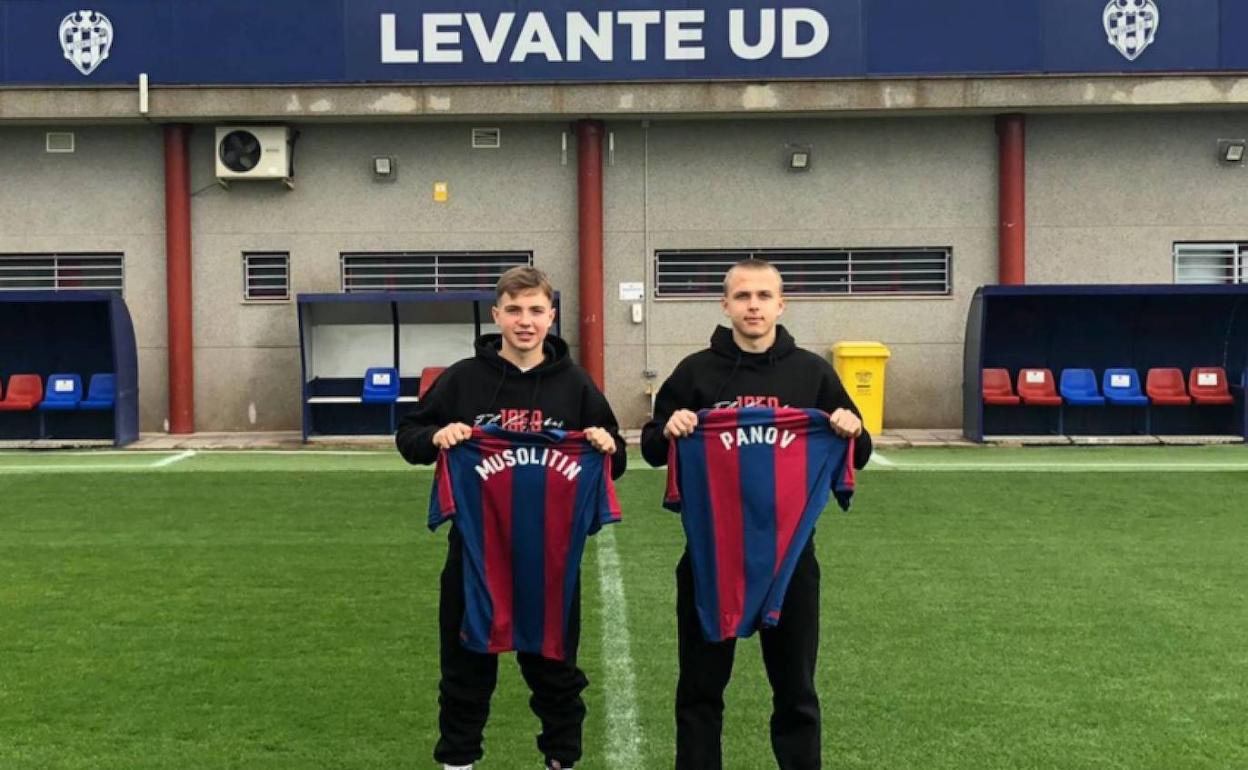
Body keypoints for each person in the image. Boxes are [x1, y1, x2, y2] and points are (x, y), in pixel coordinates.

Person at [640, 257, 873, 770]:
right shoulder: (695, 372)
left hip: (791, 563)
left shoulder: (812, 372)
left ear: (781, 304)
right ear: (725, 304)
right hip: (712, 561)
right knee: (700, 693)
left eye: (763, 296)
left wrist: (849, 426)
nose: (753, 306)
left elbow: (859, 450)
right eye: (742, 296)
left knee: (796, 693)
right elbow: (653, 448)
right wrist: (672, 426)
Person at [396, 265, 626, 770]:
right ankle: (458, 762)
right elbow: (408, 436)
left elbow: (617, 456)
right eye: (515, 310)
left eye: (536, 311)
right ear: (497, 314)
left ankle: (561, 759)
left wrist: (608, 445)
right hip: (474, 556)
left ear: (552, 316)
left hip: (551, 562)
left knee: (554, 672)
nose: (526, 321)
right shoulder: (462, 380)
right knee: (464, 669)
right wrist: (436, 438)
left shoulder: (575, 385)